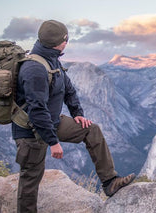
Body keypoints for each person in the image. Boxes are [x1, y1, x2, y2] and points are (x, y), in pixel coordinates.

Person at [12, 19, 135, 212]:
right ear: (57, 41)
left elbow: (68, 90)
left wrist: (77, 113)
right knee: (31, 178)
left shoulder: (52, 59)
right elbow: (36, 110)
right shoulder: (34, 69)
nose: (67, 42)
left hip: (51, 122)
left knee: (91, 130)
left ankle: (110, 182)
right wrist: (53, 142)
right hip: (30, 130)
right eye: (65, 39)